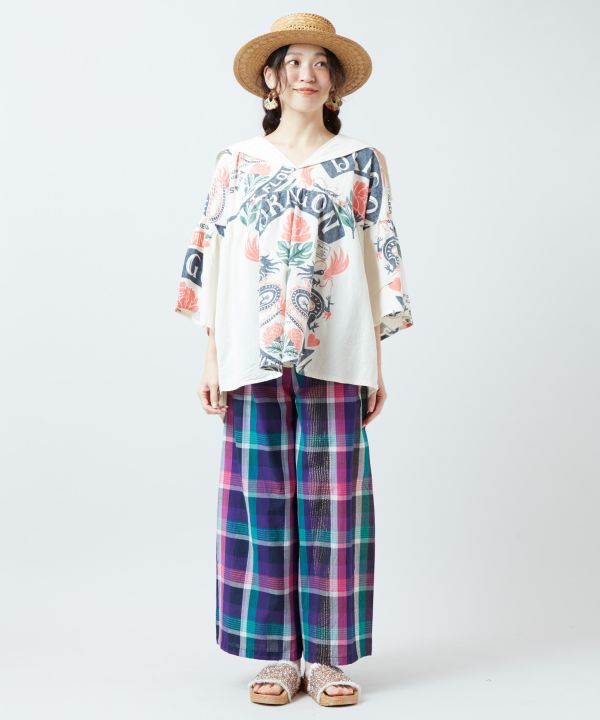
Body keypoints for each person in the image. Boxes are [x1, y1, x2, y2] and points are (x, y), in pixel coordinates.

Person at [175, 12, 414, 707]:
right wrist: (211, 357)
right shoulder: (235, 162)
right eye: (295, 63)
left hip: (337, 349)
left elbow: (378, 259)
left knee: (336, 500)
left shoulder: (362, 162)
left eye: (322, 63)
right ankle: (279, 656)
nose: (308, 74)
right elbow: (214, 257)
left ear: (335, 84)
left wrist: (375, 361)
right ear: (272, 80)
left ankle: (329, 660)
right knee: (260, 497)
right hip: (249, 349)